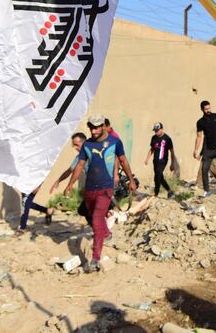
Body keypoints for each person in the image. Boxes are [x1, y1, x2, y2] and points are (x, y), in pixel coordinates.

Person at [64, 115, 136, 272]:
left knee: (97, 219)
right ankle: (106, 233)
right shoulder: (87, 145)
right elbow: (80, 165)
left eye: (97, 127)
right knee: (90, 213)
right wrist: (70, 184)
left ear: (103, 126)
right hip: (90, 189)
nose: (94, 130)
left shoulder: (115, 142)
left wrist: (131, 180)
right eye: (91, 127)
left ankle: (95, 258)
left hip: (105, 188)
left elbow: (123, 161)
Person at [193, 101, 216, 196]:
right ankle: (207, 191)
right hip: (208, 149)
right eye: (206, 109)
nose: (208, 110)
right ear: (202, 110)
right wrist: (196, 150)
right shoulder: (200, 122)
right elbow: (199, 136)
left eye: (209, 108)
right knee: (204, 169)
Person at [145, 122, 175, 198]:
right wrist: (147, 158)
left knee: (157, 176)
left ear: (162, 129)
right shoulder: (154, 138)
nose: (156, 132)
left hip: (163, 160)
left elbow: (172, 152)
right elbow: (152, 149)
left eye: (157, 130)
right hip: (155, 160)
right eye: (155, 130)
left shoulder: (167, 139)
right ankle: (170, 191)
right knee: (160, 177)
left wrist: (172, 163)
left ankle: (156, 194)